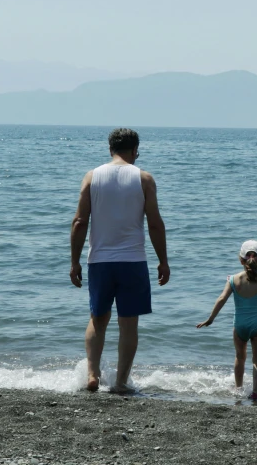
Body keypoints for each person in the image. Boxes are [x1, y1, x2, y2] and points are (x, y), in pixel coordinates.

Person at [70, 128, 170, 393]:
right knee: (128, 323)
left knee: (97, 319)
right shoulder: (144, 179)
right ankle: (121, 382)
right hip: (133, 260)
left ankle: (93, 374)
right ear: (135, 149)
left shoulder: (92, 177)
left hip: (99, 261)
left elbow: (80, 222)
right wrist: (163, 261)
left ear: (110, 149)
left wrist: (74, 262)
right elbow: (155, 224)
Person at [196, 240, 257, 400]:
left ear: (241, 260)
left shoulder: (233, 280)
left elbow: (221, 299)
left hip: (239, 325)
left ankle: (238, 389)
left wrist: (210, 319)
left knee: (240, 357)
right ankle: (255, 392)